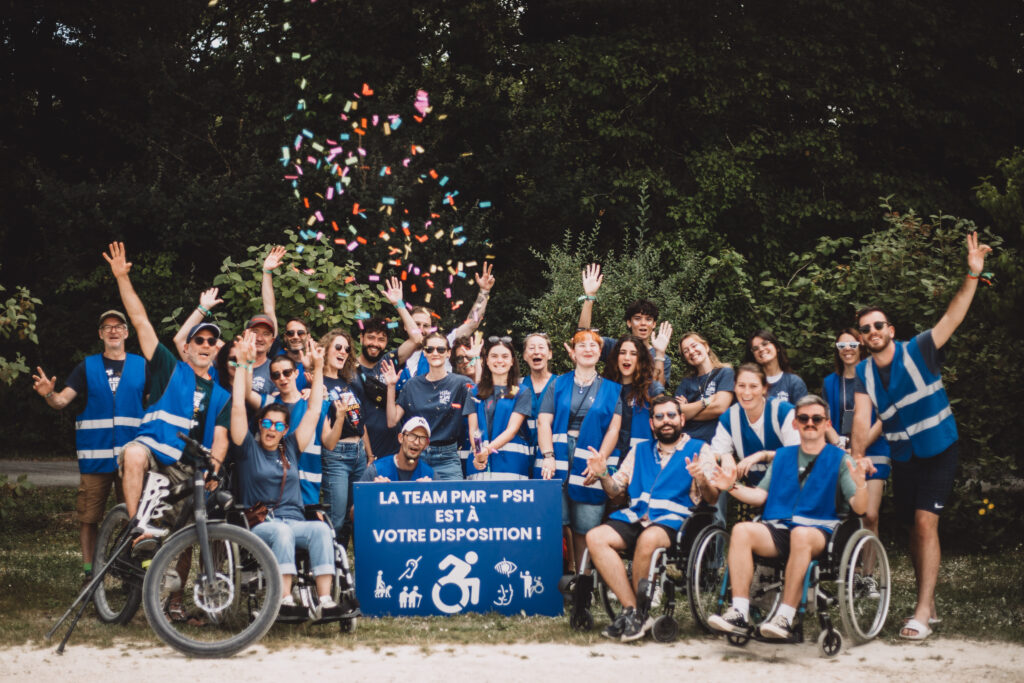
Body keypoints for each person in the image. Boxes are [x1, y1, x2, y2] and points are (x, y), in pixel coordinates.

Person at [851, 231, 991, 641]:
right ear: (861, 337)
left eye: (878, 325)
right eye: (866, 328)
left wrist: (972, 274)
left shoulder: (920, 348)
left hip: (940, 449)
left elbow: (954, 316)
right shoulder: (862, 373)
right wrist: (857, 458)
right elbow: (861, 421)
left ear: (890, 329)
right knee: (913, 530)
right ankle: (928, 601)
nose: (873, 331)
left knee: (926, 524)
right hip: (904, 457)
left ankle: (922, 613)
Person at [707, 395, 870, 640]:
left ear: (827, 424)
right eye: (803, 418)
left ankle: (785, 616)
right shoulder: (782, 456)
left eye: (817, 419)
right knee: (741, 530)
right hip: (780, 526)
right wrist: (730, 486)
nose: (810, 423)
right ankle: (739, 611)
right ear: (795, 424)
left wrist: (861, 485)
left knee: (801, 535)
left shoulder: (841, 459)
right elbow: (760, 496)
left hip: (819, 530)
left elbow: (860, 508)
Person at [103, 243, 230, 521]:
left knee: (183, 533)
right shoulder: (169, 368)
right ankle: (136, 527)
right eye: (199, 340)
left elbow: (221, 438)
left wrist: (215, 469)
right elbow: (140, 321)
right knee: (133, 454)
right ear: (186, 347)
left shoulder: (222, 395)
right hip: (154, 451)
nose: (205, 345)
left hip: (188, 468)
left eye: (211, 341)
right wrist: (122, 278)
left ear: (216, 350)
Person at [585, 396, 718, 641]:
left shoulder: (700, 449)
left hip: (674, 521)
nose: (666, 421)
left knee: (648, 539)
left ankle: (637, 613)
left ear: (682, 419)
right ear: (651, 423)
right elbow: (616, 492)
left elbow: (712, 498)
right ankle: (632, 610)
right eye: (659, 417)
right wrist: (603, 474)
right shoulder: (639, 450)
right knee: (595, 537)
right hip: (636, 517)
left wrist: (701, 479)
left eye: (671, 415)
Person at [32, 309, 147, 584]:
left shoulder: (143, 365)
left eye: (118, 326)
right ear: (100, 334)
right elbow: (61, 401)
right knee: (89, 517)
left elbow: (156, 407)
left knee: (135, 517)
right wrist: (48, 393)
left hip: (131, 461)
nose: (113, 330)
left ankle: (132, 572)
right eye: (107, 327)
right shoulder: (87, 367)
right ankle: (90, 573)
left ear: (126, 332)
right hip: (95, 460)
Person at [229, 334, 341, 616]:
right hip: (262, 524)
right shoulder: (247, 449)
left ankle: (325, 601)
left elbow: (313, 411)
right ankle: (284, 599)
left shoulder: (290, 447)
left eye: (279, 426)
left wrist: (318, 369)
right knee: (281, 532)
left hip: (294, 521)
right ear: (260, 424)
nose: (272, 429)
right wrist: (242, 364)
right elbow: (238, 406)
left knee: (320, 529)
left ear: (285, 430)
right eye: (267, 423)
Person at [536, 330, 622, 573]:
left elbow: (614, 429)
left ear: (600, 353)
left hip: (591, 457)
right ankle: (560, 573)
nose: (588, 349)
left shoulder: (612, 389)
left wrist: (600, 461)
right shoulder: (557, 383)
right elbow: (544, 422)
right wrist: (548, 456)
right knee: (557, 521)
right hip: (558, 456)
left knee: (586, 524)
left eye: (593, 345)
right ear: (573, 353)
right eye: (582, 345)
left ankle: (583, 578)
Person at [824, 328, 890, 577]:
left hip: (874, 449)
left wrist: (859, 446)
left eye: (852, 344)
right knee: (845, 512)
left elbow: (883, 418)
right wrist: (840, 444)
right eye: (841, 346)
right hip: (841, 451)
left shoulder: (876, 377)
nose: (847, 350)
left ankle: (868, 575)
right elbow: (825, 420)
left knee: (870, 514)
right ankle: (845, 568)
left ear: (860, 345)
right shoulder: (830, 382)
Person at [351, 277, 425, 462]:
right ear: (361, 338)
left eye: (381, 339)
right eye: (371, 337)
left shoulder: (389, 361)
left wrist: (398, 304)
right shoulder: (347, 367)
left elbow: (417, 339)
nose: (375, 344)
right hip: (362, 451)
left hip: (393, 448)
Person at [382, 331, 470, 480]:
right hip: (416, 454)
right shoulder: (412, 385)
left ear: (448, 353)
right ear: (424, 353)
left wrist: (475, 359)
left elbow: (481, 395)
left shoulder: (460, 383)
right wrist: (391, 387)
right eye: (430, 349)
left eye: (440, 349)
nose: (435, 353)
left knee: (453, 495)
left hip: (447, 458)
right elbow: (392, 421)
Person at [397, 263, 495, 388]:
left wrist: (484, 291)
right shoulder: (398, 355)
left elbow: (472, 323)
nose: (421, 329)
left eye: (426, 325)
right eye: (416, 324)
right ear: (406, 326)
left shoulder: (443, 346)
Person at [577, 263, 673, 385]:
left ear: (654, 324)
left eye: (648, 319)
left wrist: (659, 354)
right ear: (629, 322)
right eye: (637, 318)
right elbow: (582, 337)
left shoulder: (662, 358)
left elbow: (658, 390)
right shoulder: (614, 347)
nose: (643, 323)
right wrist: (590, 297)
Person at [319, 328, 371, 543]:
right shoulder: (318, 383)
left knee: (355, 516)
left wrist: (370, 455)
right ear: (325, 350)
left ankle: (343, 562)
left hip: (359, 454)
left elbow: (360, 423)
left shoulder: (348, 383)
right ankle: (326, 562)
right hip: (337, 455)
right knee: (336, 519)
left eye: (347, 349)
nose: (343, 352)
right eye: (338, 347)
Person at [711, 363, 799, 487]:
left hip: (790, 485)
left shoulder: (784, 412)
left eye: (753, 386)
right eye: (741, 386)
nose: (746, 392)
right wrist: (724, 456)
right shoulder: (729, 417)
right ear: (734, 387)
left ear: (764, 388)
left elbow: (797, 453)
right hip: (754, 489)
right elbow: (715, 452)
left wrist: (762, 455)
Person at [464, 337, 533, 480]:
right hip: (480, 464)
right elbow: (473, 429)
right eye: (494, 356)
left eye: (505, 356)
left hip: (511, 464)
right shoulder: (474, 392)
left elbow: (512, 430)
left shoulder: (522, 391)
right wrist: (479, 453)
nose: (499, 360)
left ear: (512, 361)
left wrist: (486, 450)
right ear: (486, 361)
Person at [268, 345, 327, 505]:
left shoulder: (309, 402)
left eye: (287, 372)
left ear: (296, 373)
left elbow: (329, 440)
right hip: (277, 488)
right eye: (276, 375)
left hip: (308, 486)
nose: (282, 378)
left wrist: (317, 369)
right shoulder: (269, 405)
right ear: (272, 379)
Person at [602, 335, 665, 460]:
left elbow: (663, 421)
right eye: (622, 352)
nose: (627, 357)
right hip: (609, 458)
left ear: (640, 359)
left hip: (640, 459)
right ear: (616, 357)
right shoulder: (604, 387)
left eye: (633, 353)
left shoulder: (651, 389)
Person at [674, 332, 734, 443]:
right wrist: (707, 401)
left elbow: (719, 408)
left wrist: (689, 412)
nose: (691, 352)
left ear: (706, 347)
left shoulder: (725, 373)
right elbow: (676, 413)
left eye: (694, 346)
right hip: (687, 442)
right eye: (686, 351)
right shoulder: (686, 382)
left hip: (714, 443)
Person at [361, 417, 435, 482]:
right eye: (412, 436)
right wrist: (374, 489)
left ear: (426, 445)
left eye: (422, 438)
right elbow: (360, 493)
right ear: (401, 438)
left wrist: (431, 489)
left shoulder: (430, 476)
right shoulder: (376, 471)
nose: (416, 442)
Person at [744, 329, 808, 403]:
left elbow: (804, 410)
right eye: (755, 348)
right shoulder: (749, 384)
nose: (761, 349)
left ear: (777, 347)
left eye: (765, 344)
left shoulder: (794, 382)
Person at [520, 332, 556, 452]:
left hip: (552, 453)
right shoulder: (517, 386)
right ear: (525, 356)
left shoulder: (561, 385)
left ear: (550, 354)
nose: (536, 352)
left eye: (541, 347)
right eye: (531, 348)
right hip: (524, 454)